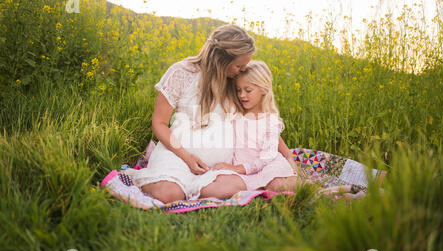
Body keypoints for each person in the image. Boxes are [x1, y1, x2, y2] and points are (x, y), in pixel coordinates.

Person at [122, 24, 297, 203]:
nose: (243, 70)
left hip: (220, 167)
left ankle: (194, 189)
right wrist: (187, 157)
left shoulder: (235, 82)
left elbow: (261, 122)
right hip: (178, 154)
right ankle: (160, 179)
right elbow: (159, 123)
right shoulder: (181, 72)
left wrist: (287, 155)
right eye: (239, 65)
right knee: (169, 194)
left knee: (243, 186)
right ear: (222, 59)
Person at [212, 60, 353, 195]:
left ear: (263, 89)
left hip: (267, 166)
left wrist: (290, 162)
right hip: (243, 170)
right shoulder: (236, 114)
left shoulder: (270, 121)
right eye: (238, 90)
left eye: (248, 90)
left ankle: (318, 189)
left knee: (275, 184)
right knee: (223, 183)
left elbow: (267, 156)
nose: (242, 95)